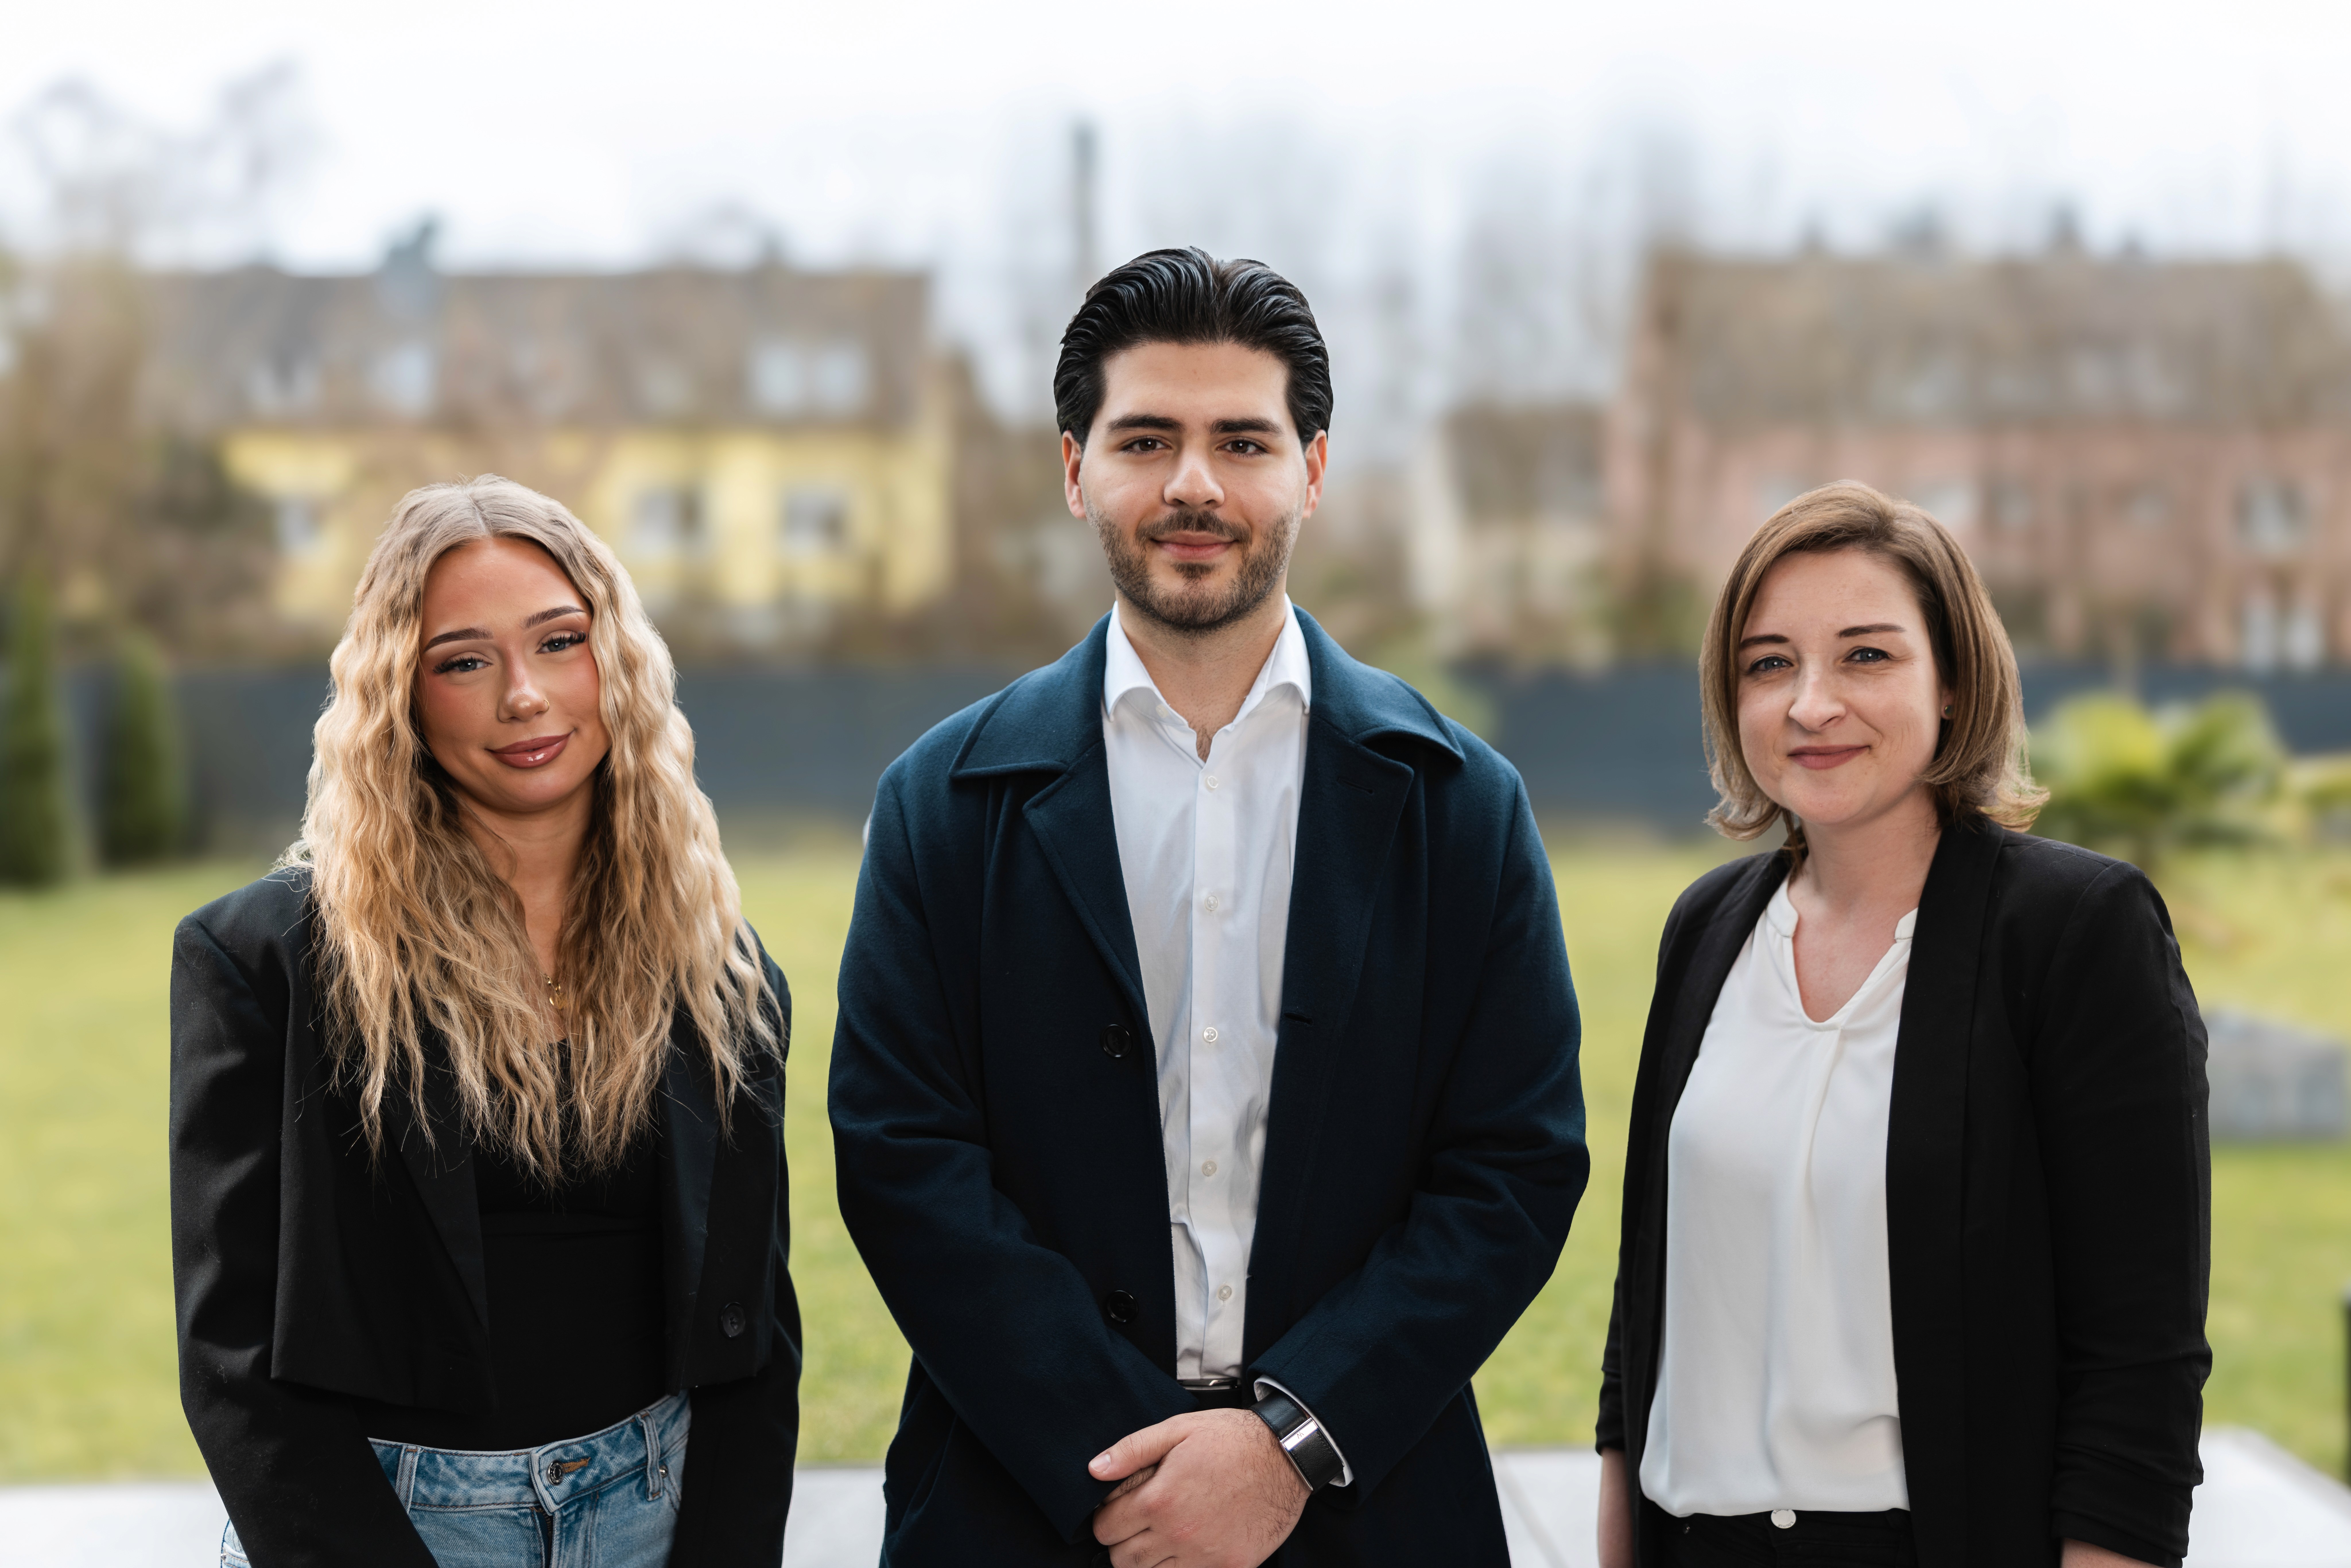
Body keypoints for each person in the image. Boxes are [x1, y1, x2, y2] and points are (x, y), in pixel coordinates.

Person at [829, 247, 1588, 1566]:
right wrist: (1134, 1469)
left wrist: (1285, 1444)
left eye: (1242, 439)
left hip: (1371, 1505)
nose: (1193, 483)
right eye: (1145, 439)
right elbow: (903, 1160)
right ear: (1075, 471)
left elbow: (1512, 1170)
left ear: (1313, 469)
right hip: (1023, 1507)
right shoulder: (941, 802)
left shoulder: (1459, 805)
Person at [170, 477, 799, 1568]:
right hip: (377, 1527)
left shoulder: (723, 974)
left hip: (651, 1514)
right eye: (464, 660)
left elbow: (754, 1343)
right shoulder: (263, 963)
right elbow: (232, 1354)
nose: (525, 695)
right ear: (398, 696)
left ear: (619, 663)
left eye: (560, 642)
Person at [1594, 482, 2210, 1568]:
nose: (1811, 705)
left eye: (1866, 657)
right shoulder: (1707, 931)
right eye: (1769, 662)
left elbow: (2139, 1363)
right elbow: (1644, 1311)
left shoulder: (2074, 934)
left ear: (1955, 681)